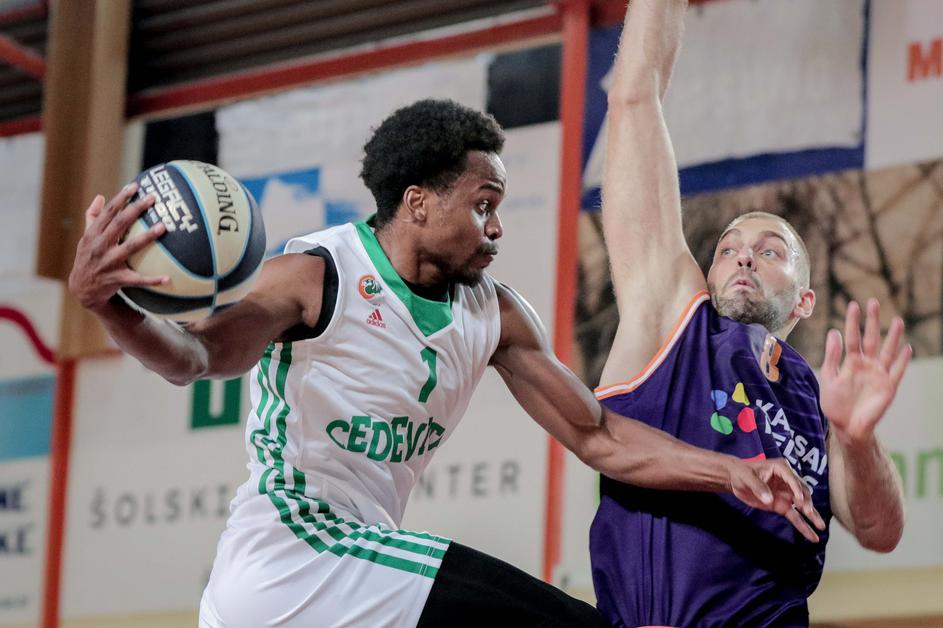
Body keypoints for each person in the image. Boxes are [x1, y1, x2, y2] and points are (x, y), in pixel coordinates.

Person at [69, 99, 821, 628]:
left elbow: (598, 435)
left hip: (353, 586)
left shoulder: (493, 315)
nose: (497, 228)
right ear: (419, 202)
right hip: (293, 560)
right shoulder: (317, 275)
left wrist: (729, 471)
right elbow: (196, 357)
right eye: (483, 204)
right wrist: (111, 306)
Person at [591, 2, 910, 627]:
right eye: (728, 249)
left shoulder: (817, 401)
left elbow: (880, 532)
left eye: (770, 252)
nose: (743, 257)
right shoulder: (671, 323)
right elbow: (634, 99)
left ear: (804, 299)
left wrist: (857, 440)